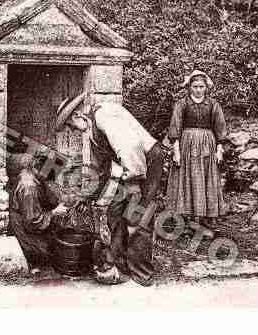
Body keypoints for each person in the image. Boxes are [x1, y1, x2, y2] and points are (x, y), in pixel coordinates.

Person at [56, 94, 165, 286]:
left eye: (71, 126)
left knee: (138, 217)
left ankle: (141, 274)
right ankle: (120, 266)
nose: (72, 131)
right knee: (115, 212)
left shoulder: (104, 116)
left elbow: (129, 147)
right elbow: (102, 169)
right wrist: (87, 196)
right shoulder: (91, 131)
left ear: (78, 115)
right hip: (131, 168)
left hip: (145, 163)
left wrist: (133, 182)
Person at [167, 70, 227, 230]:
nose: (198, 90)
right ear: (189, 87)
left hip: (208, 145)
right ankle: (185, 217)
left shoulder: (213, 105)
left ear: (206, 88)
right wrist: (176, 150)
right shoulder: (182, 104)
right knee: (187, 178)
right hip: (187, 145)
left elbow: (220, 128)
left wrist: (219, 149)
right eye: (195, 86)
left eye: (201, 86)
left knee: (206, 179)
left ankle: (207, 216)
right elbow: (175, 127)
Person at [9, 152, 69, 271]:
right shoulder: (29, 187)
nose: (51, 179)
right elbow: (32, 221)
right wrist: (54, 213)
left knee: (60, 238)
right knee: (53, 252)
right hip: (24, 226)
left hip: (32, 218)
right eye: (51, 174)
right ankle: (32, 259)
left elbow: (48, 196)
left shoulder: (34, 174)